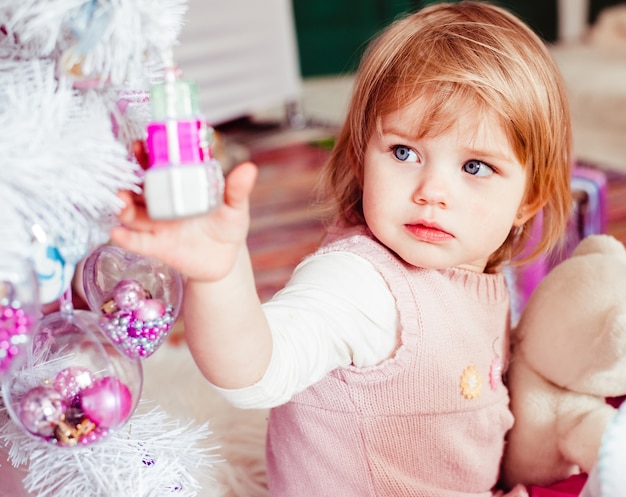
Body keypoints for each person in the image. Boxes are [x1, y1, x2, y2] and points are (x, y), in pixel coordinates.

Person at [110, 1, 572, 495]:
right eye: (404, 152)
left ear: (529, 199)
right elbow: (255, 370)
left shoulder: (475, 275)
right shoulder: (358, 284)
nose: (431, 190)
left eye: (475, 166)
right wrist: (218, 275)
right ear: (360, 156)